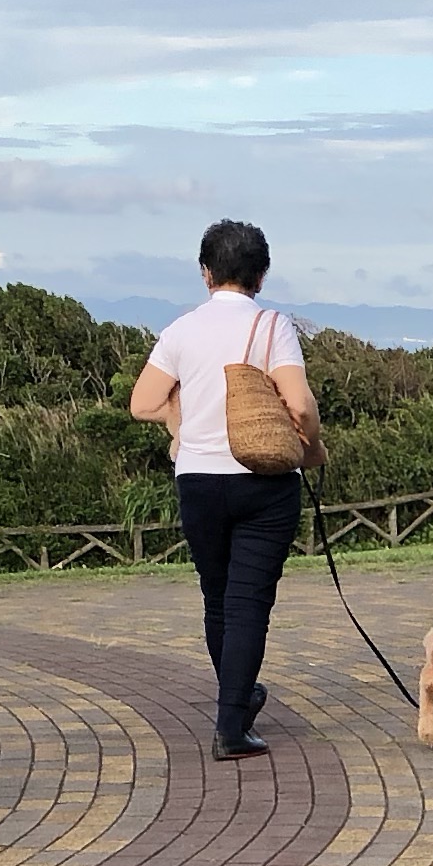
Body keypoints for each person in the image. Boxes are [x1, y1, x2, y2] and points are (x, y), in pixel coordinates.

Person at [131, 218, 322, 758]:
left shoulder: (180, 330)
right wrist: (308, 443)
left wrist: (183, 423)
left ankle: (238, 701)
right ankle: (231, 724)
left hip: (197, 480)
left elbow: (141, 402)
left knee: (218, 598)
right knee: (248, 605)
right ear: (261, 276)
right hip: (265, 483)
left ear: (205, 272)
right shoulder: (272, 327)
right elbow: (301, 404)